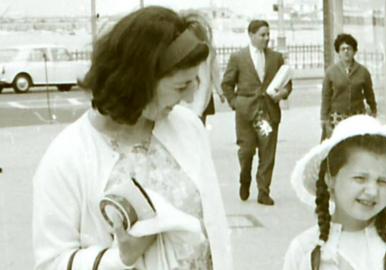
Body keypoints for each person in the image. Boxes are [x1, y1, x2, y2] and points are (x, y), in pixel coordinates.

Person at [32, 6, 233, 270]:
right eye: (181, 86)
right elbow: (51, 262)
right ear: (138, 81)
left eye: (195, 82)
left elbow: (215, 231)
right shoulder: (66, 157)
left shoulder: (188, 129)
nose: (191, 97)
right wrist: (120, 258)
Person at [285, 115, 386, 270]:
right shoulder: (305, 251)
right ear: (330, 179)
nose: (372, 191)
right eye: (360, 178)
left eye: (382, 181)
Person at [221, 19, 292, 206]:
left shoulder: (276, 58)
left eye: (268, 34)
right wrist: (236, 103)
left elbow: (287, 84)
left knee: (267, 152)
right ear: (251, 35)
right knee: (246, 151)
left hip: (267, 115)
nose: (266, 38)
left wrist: (282, 94)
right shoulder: (238, 57)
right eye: (262, 35)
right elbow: (226, 84)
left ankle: (263, 191)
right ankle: (245, 178)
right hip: (246, 114)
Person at [321, 33, 377, 140]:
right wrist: (324, 119)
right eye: (343, 49)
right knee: (338, 147)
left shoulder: (363, 72)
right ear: (338, 52)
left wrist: (373, 111)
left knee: (356, 146)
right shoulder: (331, 72)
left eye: (349, 48)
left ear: (354, 51)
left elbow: (370, 94)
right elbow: (326, 97)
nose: (346, 51)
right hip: (337, 118)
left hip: (357, 116)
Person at [180, 10, 225, 125]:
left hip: (199, 99)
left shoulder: (207, 53)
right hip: (184, 104)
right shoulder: (179, 53)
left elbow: (212, 74)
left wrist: (220, 91)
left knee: (199, 125)